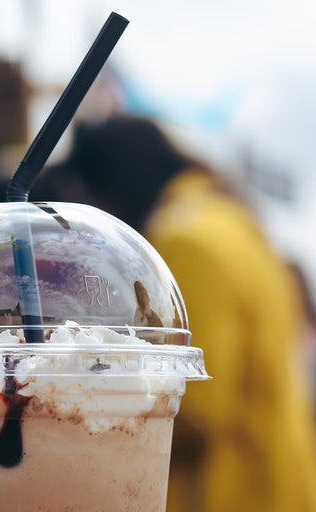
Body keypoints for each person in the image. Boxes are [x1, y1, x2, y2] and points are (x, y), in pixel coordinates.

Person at [35, 114, 316, 512]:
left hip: (233, 494)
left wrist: (74, 412)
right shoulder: (225, 220)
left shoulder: (185, 239)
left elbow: (196, 404)